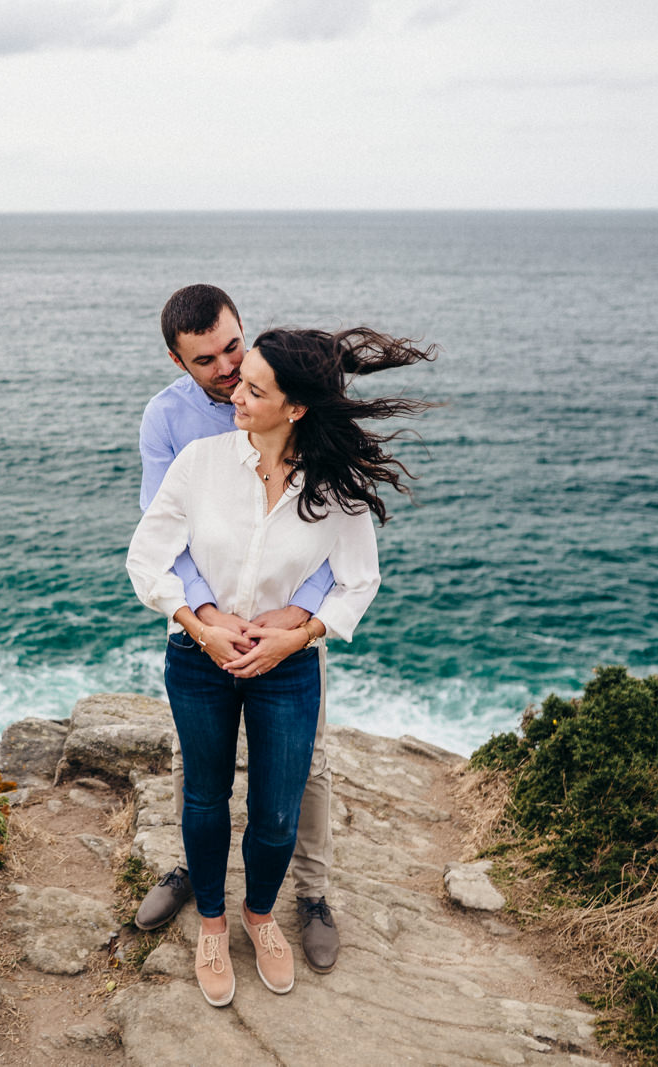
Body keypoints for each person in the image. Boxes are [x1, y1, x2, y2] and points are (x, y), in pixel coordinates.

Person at [127, 320, 434, 1006]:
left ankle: (260, 916)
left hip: (291, 668)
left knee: (274, 812)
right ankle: (211, 922)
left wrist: (298, 635)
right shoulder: (200, 462)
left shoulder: (335, 485)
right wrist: (197, 623)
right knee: (204, 799)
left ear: (294, 407)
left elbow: (359, 581)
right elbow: (146, 559)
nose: (236, 391)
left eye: (254, 387)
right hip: (197, 659)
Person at [134, 285, 342, 977]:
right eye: (208, 360)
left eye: (233, 346)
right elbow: (160, 533)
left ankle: (308, 894)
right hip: (202, 628)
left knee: (298, 773)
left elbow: (327, 522)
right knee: (199, 770)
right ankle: (197, 873)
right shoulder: (167, 422)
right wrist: (207, 618)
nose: (228, 369)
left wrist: (296, 620)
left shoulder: (283, 390)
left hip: (285, 634)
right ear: (177, 359)